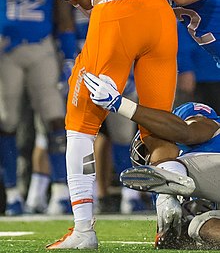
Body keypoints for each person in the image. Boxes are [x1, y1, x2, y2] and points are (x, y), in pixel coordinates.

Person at [39, 0, 187, 250]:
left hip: (114, 14)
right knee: (158, 123)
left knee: (79, 124)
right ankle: (169, 222)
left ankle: (84, 231)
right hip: (157, 13)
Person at [83, 71, 220, 249]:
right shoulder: (174, 190)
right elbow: (171, 242)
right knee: (199, 227)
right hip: (204, 187)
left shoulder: (188, 121)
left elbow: (186, 132)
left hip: (197, 169)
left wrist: (120, 104)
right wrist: (178, 231)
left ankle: (170, 175)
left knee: (174, 175)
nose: (153, 157)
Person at [0, 0, 74, 215]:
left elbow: (64, 15)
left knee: (55, 118)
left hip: (42, 47)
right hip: (6, 51)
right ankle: (12, 192)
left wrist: (68, 55)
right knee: (7, 122)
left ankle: (59, 191)